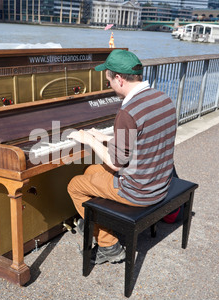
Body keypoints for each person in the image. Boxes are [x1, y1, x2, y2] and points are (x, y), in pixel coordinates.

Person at [67, 49, 178, 264]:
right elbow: (143, 140)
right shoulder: (162, 98)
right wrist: (107, 138)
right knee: (90, 171)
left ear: (118, 79)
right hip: (159, 182)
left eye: (108, 80)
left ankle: (109, 246)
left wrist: (91, 140)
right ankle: (97, 222)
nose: (108, 85)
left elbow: (116, 164)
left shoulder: (128, 110)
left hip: (140, 191)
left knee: (74, 185)